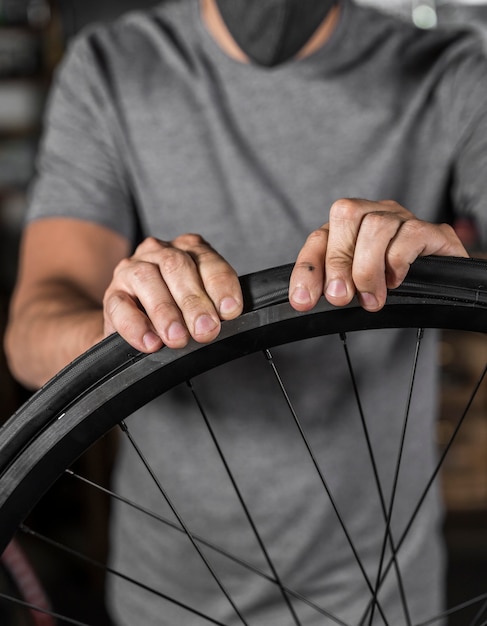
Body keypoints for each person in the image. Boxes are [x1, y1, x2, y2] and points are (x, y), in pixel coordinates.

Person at [4, 0, 486, 624]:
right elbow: (31, 331)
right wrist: (124, 327)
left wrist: (452, 262)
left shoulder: (447, 69)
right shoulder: (113, 66)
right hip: (169, 597)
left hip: (386, 597)